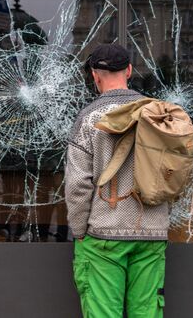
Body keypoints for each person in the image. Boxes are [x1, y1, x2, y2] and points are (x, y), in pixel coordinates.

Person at [65, 44, 168, 317]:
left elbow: (77, 184)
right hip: (152, 233)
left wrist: (79, 232)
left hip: (104, 234)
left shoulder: (90, 118)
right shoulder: (158, 114)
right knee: (147, 313)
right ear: (130, 71)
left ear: (95, 76)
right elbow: (177, 172)